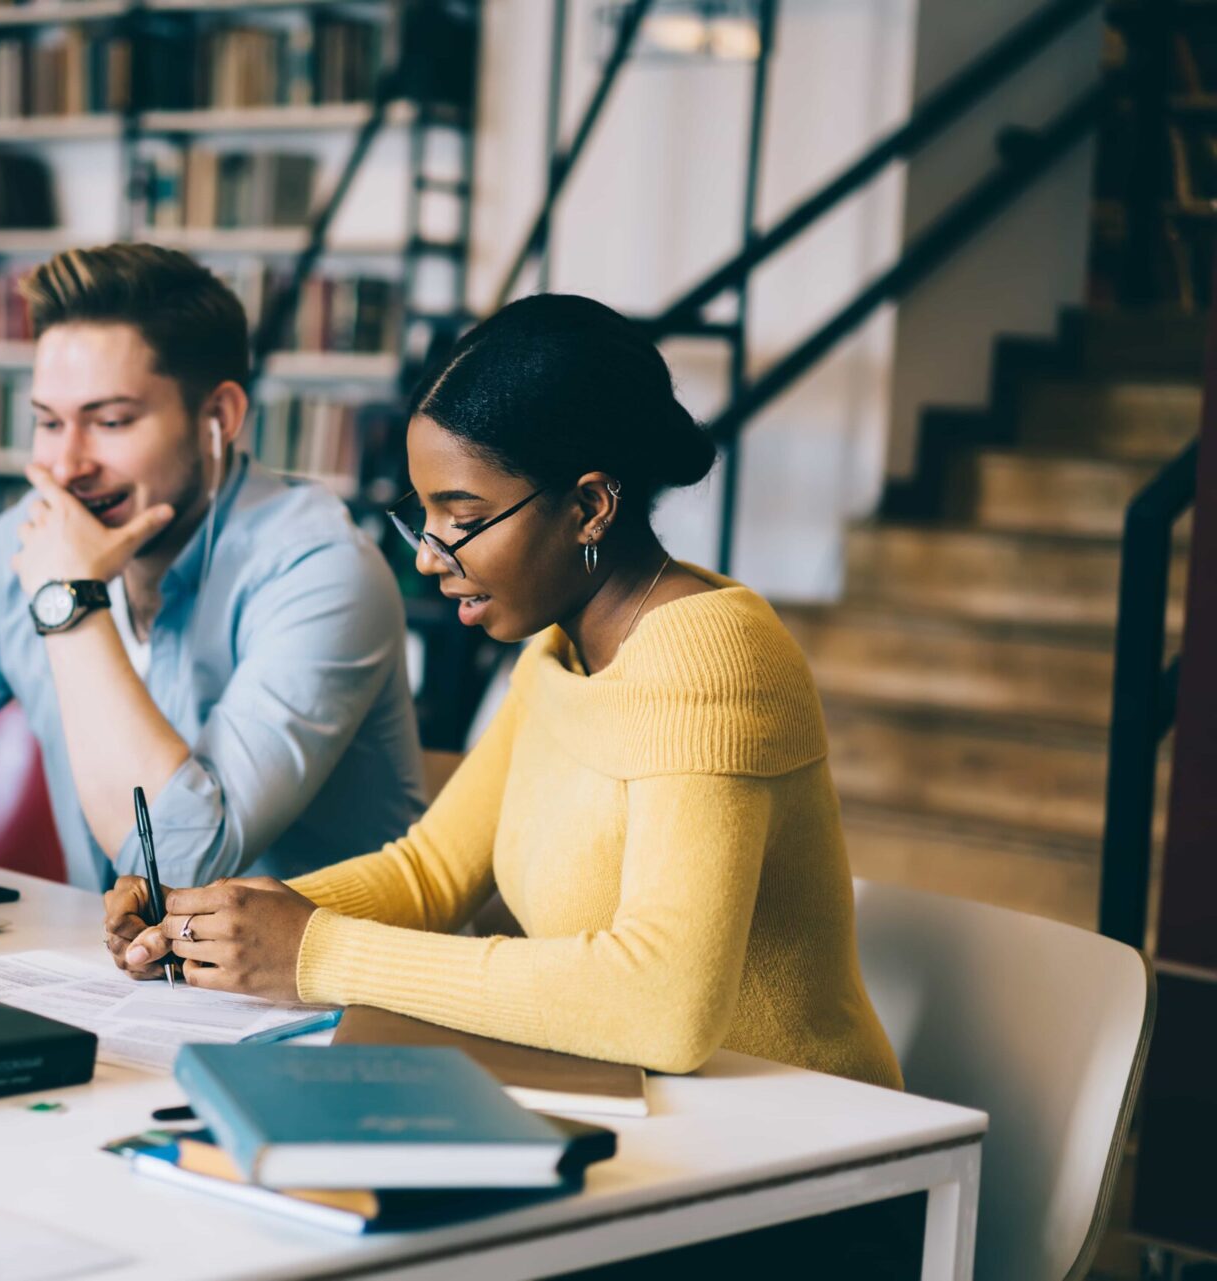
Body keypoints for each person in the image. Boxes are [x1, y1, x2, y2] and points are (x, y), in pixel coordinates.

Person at [106, 293, 902, 1093]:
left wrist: (314, 951)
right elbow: (429, 875)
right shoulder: (563, 647)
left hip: (801, 1128)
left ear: (589, 507)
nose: (428, 556)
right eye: (424, 516)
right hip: (648, 1110)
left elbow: (666, 1004)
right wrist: (212, 919)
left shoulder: (711, 657)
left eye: (463, 517)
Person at [0, 244, 426, 895]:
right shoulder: (24, 544)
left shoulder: (322, 571)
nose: (67, 466)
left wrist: (69, 600)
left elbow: (176, 863)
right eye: (48, 422)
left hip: (316, 963)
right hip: (103, 956)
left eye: (111, 421)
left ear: (219, 417)